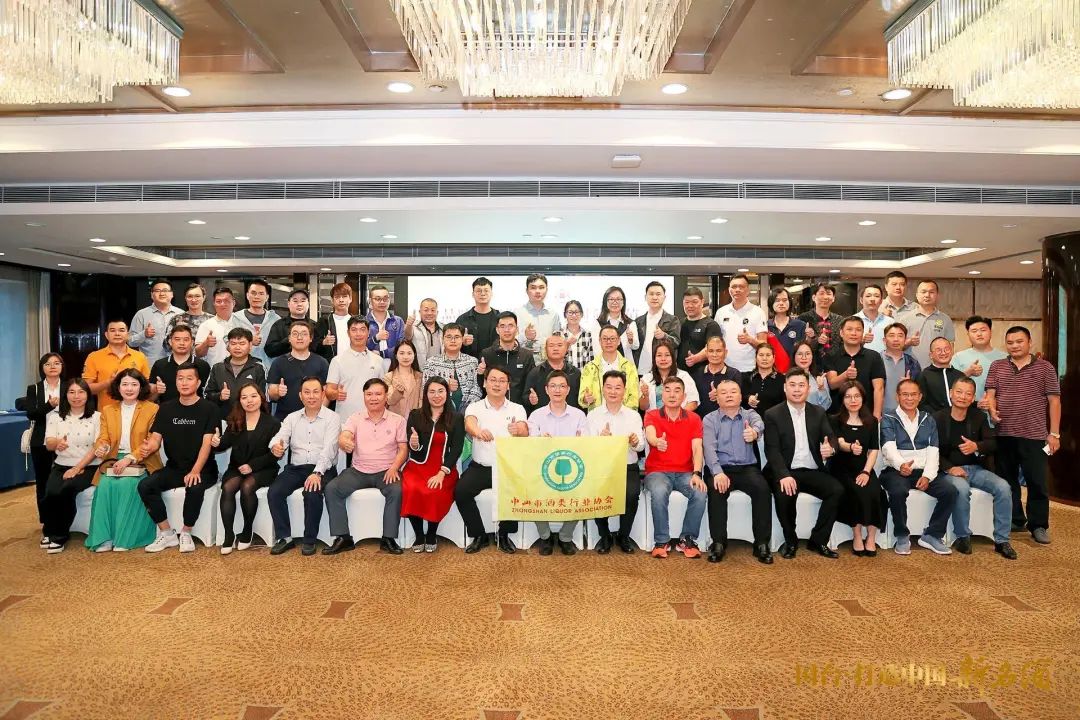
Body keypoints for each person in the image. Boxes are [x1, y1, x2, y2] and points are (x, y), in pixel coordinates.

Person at [985, 326, 1060, 544]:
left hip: (1034, 435)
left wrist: (1054, 434)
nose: (1014, 346)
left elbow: (1054, 401)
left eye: (1019, 342)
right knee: (1007, 482)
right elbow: (990, 395)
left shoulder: (1045, 368)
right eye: (1010, 342)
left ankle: (1038, 525)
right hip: (1003, 433)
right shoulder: (997, 366)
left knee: (1037, 482)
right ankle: (1015, 519)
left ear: (1029, 343)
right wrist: (992, 410)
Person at [138, 363, 220, 553]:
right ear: (175, 382)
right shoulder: (166, 408)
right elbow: (155, 439)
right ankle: (166, 533)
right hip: (174, 468)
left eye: (189, 379)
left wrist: (195, 470)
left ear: (198, 383)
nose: (184, 383)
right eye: (180, 378)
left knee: (194, 485)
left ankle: (186, 532)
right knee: (145, 486)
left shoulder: (210, 408)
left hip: (204, 468)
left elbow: (207, 443)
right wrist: (148, 447)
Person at [933, 377, 1018, 560]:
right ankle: (963, 536)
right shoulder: (938, 418)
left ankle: (1002, 540)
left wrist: (976, 446)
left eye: (968, 394)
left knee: (1003, 487)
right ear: (951, 393)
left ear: (973, 398)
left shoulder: (978, 417)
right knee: (961, 489)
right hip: (949, 471)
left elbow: (993, 443)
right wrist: (950, 468)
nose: (962, 397)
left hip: (976, 469)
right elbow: (931, 450)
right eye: (959, 392)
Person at [762, 368, 843, 559]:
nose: (797, 389)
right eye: (792, 385)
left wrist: (830, 449)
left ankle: (818, 540)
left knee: (837, 490)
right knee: (785, 492)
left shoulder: (818, 412)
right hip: (786, 469)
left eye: (801, 385)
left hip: (811, 470)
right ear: (785, 388)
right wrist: (783, 475)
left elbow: (831, 438)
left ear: (808, 388)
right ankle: (790, 541)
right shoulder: (773, 414)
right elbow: (772, 450)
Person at [323, 378, 408, 555]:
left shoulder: (398, 420)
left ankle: (388, 538)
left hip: (387, 471)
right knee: (332, 489)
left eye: (378, 394)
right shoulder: (355, 418)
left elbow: (403, 449)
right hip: (358, 471)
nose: (373, 398)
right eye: (369, 394)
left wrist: (394, 468)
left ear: (386, 396)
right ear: (364, 396)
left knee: (397, 490)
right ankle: (343, 537)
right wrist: (344, 441)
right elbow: (345, 435)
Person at [85, 370, 162, 552]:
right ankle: (104, 538)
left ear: (141, 387)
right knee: (105, 485)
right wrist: (102, 447)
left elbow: (151, 442)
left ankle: (125, 538)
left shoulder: (152, 409)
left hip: (142, 459)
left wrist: (129, 458)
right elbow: (103, 437)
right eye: (125, 384)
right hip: (113, 460)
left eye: (134, 384)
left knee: (128, 484)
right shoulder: (107, 410)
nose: (129, 388)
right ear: (118, 387)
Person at [879, 379, 957, 556]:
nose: (909, 398)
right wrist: (901, 465)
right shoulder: (889, 418)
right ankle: (901, 535)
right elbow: (888, 447)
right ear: (897, 397)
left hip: (922, 471)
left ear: (920, 397)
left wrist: (928, 476)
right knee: (898, 491)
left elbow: (934, 450)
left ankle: (932, 535)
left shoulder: (928, 419)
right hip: (895, 471)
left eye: (913, 394)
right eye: (905, 394)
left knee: (950, 491)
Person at [266, 377, 341, 556]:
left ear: (323, 394)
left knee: (312, 492)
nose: (311, 396)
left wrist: (317, 473)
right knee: (274, 492)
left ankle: (309, 540)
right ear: (300, 396)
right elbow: (279, 437)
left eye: (315, 392)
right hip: (296, 468)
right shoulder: (292, 418)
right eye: (307, 392)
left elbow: (329, 449)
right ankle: (285, 538)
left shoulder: (333, 418)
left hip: (323, 468)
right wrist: (275, 446)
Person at [456, 366, 528, 554]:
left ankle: (503, 535)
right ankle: (479, 535)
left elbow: (524, 429)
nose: (497, 384)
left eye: (502, 381)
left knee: (515, 490)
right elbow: (469, 423)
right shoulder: (475, 407)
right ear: (485, 383)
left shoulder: (517, 408)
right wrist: (478, 432)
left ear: (508, 385)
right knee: (461, 492)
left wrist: (519, 430)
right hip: (481, 467)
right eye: (493, 380)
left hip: (507, 468)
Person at [702, 379, 773, 564]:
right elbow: (709, 449)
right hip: (721, 468)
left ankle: (761, 543)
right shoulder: (709, 419)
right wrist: (717, 472)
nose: (729, 395)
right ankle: (718, 543)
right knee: (716, 490)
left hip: (747, 468)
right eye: (723, 392)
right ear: (717, 398)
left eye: (733, 392)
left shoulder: (750, 414)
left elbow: (760, 424)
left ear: (741, 396)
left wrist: (755, 433)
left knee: (762, 489)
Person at [211, 382, 281, 554]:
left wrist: (252, 466)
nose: (249, 401)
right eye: (244, 397)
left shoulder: (272, 423)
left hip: (263, 468)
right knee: (228, 487)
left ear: (261, 398)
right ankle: (229, 535)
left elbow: (274, 455)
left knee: (247, 486)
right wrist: (216, 442)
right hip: (237, 467)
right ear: (239, 401)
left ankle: (247, 530)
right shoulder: (235, 420)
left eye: (253, 396)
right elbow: (223, 444)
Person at [643, 376, 707, 559]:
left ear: (684, 396)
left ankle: (687, 539)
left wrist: (697, 473)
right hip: (657, 471)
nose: (672, 395)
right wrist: (657, 442)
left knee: (700, 492)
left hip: (685, 472)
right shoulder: (652, 415)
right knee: (659, 491)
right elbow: (650, 435)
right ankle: (661, 541)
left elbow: (697, 448)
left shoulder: (694, 418)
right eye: (667, 390)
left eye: (677, 390)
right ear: (662, 395)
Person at [526, 370, 588, 555]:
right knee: (532, 490)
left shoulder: (579, 415)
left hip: (573, 471)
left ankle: (565, 536)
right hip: (542, 471)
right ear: (546, 389)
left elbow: (586, 445)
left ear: (568, 389)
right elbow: (529, 445)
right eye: (553, 386)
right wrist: (539, 440)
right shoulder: (536, 416)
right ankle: (545, 536)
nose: (557, 390)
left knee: (583, 490)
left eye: (562, 386)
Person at [402, 377, 465, 553]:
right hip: (418, 466)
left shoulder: (456, 418)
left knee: (434, 491)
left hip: (443, 468)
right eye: (432, 392)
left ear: (447, 393)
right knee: (411, 489)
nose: (436, 396)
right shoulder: (415, 415)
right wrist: (414, 443)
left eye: (440, 391)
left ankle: (431, 533)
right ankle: (419, 535)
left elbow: (457, 448)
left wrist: (442, 473)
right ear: (426, 394)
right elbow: (412, 446)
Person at [586, 370, 645, 554]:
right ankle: (604, 535)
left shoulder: (633, 415)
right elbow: (586, 447)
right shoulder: (593, 415)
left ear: (624, 390)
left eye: (618, 387)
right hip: (601, 467)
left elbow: (641, 446)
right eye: (609, 387)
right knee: (597, 493)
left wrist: (634, 442)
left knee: (631, 494)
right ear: (602, 389)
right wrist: (600, 440)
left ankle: (623, 535)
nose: (613, 391)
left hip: (628, 466)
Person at [41, 379, 101, 553]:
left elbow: (97, 448)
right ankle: (49, 531)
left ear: (88, 395)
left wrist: (77, 468)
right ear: (65, 395)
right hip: (61, 465)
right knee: (50, 493)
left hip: (88, 466)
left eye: (81, 392)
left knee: (67, 489)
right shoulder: (56, 417)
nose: (76, 396)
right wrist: (57, 443)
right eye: (72, 392)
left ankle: (59, 536)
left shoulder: (97, 417)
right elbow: (49, 443)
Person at [829, 380, 885, 557]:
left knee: (875, 491)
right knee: (855, 490)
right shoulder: (835, 420)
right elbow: (839, 442)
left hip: (864, 467)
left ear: (863, 398)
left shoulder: (872, 421)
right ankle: (857, 535)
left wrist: (866, 471)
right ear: (842, 399)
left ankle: (871, 537)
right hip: (841, 468)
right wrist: (851, 447)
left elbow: (874, 449)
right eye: (848, 397)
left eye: (856, 396)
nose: (853, 400)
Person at [16, 352, 64, 546]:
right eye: (48, 364)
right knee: (43, 484)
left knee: (63, 482)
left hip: (65, 440)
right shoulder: (34, 388)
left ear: (62, 366)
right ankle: (48, 525)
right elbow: (32, 414)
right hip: (41, 441)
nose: (52, 366)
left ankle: (65, 522)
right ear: (42, 368)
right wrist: (49, 405)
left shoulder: (69, 386)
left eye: (57, 363)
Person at [326, 316, 384, 424]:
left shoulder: (378, 360)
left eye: (362, 330)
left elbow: (384, 391)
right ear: (348, 333)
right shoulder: (337, 361)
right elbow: (329, 391)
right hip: (346, 421)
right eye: (354, 330)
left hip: (374, 420)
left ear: (368, 333)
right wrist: (335, 393)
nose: (358, 334)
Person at [82, 319, 151, 411]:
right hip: (106, 413)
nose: (117, 334)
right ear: (106, 335)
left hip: (135, 413)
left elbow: (146, 387)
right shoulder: (94, 357)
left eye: (121, 330)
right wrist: (108, 382)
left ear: (128, 334)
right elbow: (85, 389)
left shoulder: (140, 356)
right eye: (113, 330)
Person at [823, 316, 885, 417]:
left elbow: (879, 388)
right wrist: (846, 375)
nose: (854, 333)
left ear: (863, 333)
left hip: (866, 415)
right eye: (849, 329)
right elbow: (832, 384)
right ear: (841, 333)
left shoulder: (874, 356)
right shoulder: (831, 355)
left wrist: (877, 415)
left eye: (858, 330)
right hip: (837, 416)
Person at [268, 319, 330, 420]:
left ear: (311, 338)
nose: (299, 338)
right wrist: (277, 391)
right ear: (289, 338)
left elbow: (326, 393)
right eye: (295, 334)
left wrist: (319, 415)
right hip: (285, 420)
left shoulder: (322, 362)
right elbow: (271, 393)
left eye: (304, 334)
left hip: (314, 419)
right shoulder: (278, 362)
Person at [950, 315, 1007, 413]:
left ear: (991, 332)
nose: (979, 334)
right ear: (968, 334)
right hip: (969, 412)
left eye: (983, 330)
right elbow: (950, 384)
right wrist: (968, 373)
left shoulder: (1005, 357)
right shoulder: (958, 357)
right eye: (974, 331)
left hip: (1001, 411)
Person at [203, 328, 267, 414]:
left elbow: (264, 397)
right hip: (222, 418)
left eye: (242, 343)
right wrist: (219, 396)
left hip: (249, 417)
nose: (237, 347)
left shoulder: (259, 368)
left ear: (250, 345)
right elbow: (206, 395)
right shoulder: (217, 367)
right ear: (228, 346)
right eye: (233, 343)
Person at [420, 323, 481, 411]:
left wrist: (467, 410)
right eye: (449, 337)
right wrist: (445, 387)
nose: (453, 340)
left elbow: (477, 388)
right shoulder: (431, 363)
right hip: (440, 412)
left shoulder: (472, 362)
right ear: (442, 339)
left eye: (457, 337)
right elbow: (426, 390)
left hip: (469, 412)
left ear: (462, 339)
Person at [478, 311, 536, 405]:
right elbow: (481, 385)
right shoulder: (487, 354)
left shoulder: (526, 355)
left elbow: (530, 385)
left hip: (519, 408)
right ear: (497, 330)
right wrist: (480, 373)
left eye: (510, 326)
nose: (507, 330)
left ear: (517, 329)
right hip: (493, 408)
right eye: (502, 326)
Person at [895, 280, 955, 369]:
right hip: (911, 368)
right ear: (917, 295)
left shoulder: (945, 319)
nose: (927, 295)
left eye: (931, 292)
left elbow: (950, 347)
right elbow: (896, 347)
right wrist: (909, 342)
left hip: (937, 369)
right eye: (923, 292)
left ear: (937, 295)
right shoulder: (905, 319)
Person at [578, 325, 639, 412]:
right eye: (605, 338)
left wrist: (623, 414)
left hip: (623, 415)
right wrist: (586, 398)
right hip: (597, 415)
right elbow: (582, 397)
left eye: (612, 338)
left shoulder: (629, 367)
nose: (608, 342)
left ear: (619, 341)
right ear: (600, 341)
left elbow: (634, 397)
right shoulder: (590, 367)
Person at [715, 274, 767, 373]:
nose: (737, 290)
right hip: (724, 368)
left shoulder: (758, 312)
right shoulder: (721, 312)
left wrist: (750, 340)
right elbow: (716, 341)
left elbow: (764, 345)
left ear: (748, 290)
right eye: (734, 287)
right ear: (729, 290)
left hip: (749, 368)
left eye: (741, 287)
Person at [149, 324, 210, 405]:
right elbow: (150, 398)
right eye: (177, 339)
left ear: (192, 342)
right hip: (166, 410)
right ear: (170, 342)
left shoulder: (202, 365)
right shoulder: (159, 365)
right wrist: (157, 391)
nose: (182, 343)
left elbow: (207, 395)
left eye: (186, 340)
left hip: (196, 410)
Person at [632, 281, 681, 377]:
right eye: (651, 294)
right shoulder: (638, 321)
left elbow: (676, 342)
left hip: (662, 371)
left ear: (664, 297)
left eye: (658, 294)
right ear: (645, 297)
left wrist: (664, 336)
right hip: (640, 370)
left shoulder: (672, 320)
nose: (654, 297)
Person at [128, 279, 182, 365]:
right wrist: (144, 334)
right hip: (150, 365)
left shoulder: (181, 314)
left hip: (176, 364)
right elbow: (130, 342)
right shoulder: (141, 314)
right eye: (157, 291)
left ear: (172, 294)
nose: (162, 293)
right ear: (152, 295)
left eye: (165, 290)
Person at [524, 335, 581, 413]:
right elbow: (525, 397)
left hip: (571, 418)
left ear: (566, 349)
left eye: (559, 345)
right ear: (545, 349)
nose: (555, 349)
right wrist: (530, 399)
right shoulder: (535, 373)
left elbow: (580, 401)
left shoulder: (575, 373)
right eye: (551, 346)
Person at [639, 339, 699, 413]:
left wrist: (677, 416)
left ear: (673, 358)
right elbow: (643, 407)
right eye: (659, 355)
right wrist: (646, 396)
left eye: (667, 355)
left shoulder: (684, 376)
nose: (663, 359)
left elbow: (693, 403)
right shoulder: (646, 378)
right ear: (654, 359)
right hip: (653, 419)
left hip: (679, 418)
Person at [692, 336, 743, 418]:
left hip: (727, 420)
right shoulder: (696, 373)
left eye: (718, 351)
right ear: (706, 353)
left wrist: (721, 396)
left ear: (725, 352)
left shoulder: (734, 374)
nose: (714, 355)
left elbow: (739, 401)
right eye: (711, 351)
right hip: (701, 421)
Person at [195, 287, 247, 366]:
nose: (222, 304)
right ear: (214, 304)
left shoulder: (243, 323)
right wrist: (206, 343)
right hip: (215, 370)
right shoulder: (206, 325)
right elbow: (198, 354)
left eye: (226, 301)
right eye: (219, 301)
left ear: (233, 303)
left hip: (241, 369)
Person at [516, 273, 562, 364]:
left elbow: (557, 340)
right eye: (533, 288)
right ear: (527, 290)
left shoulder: (553, 315)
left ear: (546, 290)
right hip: (524, 362)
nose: (537, 291)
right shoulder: (517, 313)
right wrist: (525, 336)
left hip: (547, 363)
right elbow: (510, 342)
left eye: (541, 287)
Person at [237, 279, 282, 370]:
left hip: (270, 369)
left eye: (261, 293)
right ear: (247, 295)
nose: (257, 297)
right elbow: (228, 343)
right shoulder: (236, 318)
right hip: (243, 370)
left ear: (267, 297)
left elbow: (281, 346)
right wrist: (248, 341)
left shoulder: (276, 319)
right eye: (253, 293)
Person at [880, 322, 922, 416]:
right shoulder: (876, 360)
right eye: (891, 335)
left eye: (900, 336)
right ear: (884, 340)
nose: (896, 339)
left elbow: (920, 391)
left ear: (905, 340)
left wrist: (910, 384)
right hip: (880, 414)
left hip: (906, 414)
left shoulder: (912, 363)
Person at [455, 277, 500, 360]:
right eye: (479, 291)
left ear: (491, 293)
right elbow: (452, 346)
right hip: (469, 365)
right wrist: (461, 342)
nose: (483, 294)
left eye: (486, 290)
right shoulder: (462, 319)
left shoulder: (500, 319)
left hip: (496, 364)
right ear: (473, 294)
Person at [798, 283, 844, 363]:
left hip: (835, 364)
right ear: (814, 297)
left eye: (828, 294)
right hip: (810, 363)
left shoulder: (840, 320)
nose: (825, 297)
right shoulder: (803, 318)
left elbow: (843, 343)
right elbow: (798, 344)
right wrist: (815, 339)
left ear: (833, 298)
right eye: (821, 293)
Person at [916, 337, 964, 413]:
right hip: (934, 418)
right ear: (931, 355)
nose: (943, 353)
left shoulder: (960, 375)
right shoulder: (923, 376)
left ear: (952, 351)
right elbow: (921, 403)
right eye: (938, 350)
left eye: (947, 349)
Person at [679, 287, 722, 371]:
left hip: (703, 372)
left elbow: (713, 347)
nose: (690, 306)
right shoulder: (679, 323)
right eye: (687, 302)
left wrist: (696, 358)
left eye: (694, 302)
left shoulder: (711, 325)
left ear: (702, 302)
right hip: (681, 373)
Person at [367, 284, 407, 371]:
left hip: (394, 365)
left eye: (385, 299)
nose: (382, 302)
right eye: (378, 299)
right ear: (370, 301)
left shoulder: (398, 321)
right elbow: (361, 346)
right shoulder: (365, 322)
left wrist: (382, 353)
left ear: (389, 300)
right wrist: (375, 338)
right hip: (370, 365)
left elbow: (401, 346)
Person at [267, 288, 314, 359]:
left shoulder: (314, 325)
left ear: (308, 304)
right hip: (285, 364)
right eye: (295, 301)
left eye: (303, 301)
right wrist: (288, 341)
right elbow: (269, 351)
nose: (299, 304)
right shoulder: (279, 324)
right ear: (288, 304)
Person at [591, 285, 636, 361]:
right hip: (604, 365)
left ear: (623, 302)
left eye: (618, 299)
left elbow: (635, 346)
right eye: (611, 299)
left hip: (626, 366)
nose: (615, 302)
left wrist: (631, 340)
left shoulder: (630, 323)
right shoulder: (598, 323)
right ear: (606, 302)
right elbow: (596, 350)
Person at [767, 286, 806, 369]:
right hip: (771, 370)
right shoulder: (765, 326)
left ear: (790, 302)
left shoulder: (800, 325)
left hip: (794, 371)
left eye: (784, 300)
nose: (781, 303)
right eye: (777, 300)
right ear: (771, 303)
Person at [163, 283, 211, 349]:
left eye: (197, 296)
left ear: (204, 297)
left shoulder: (211, 319)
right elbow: (166, 346)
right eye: (190, 296)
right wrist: (176, 330)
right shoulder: (177, 319)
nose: (193, 300)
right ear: (185, 298)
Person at [315, 282, 354, 362]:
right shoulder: (324, 321)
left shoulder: (355, 321)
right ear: (332, 300)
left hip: (353, 362)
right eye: (337, 297)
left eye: (344, 296)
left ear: (350, 299)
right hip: (331, 364)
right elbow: (313, 344)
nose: (341, 300)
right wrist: (323, 342)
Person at [742, 344, 785, 416]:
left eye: (768, 355)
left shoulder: (782, 379)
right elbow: (739, 397)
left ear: (774, 358)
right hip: (749, 420)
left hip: (774, 420)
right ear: (756, 358)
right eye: (761, 355)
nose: (764, 358)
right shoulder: (746, 377)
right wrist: (748, 398)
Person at [385, 340, 423, 416]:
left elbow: (421, 401)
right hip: (395, 419)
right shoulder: (388, 377)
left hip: (415, 419)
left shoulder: (420, 376)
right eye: (402, 353)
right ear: (396, 356)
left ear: (414, 355)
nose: (405, 357)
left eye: (409, 353)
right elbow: (389, 401)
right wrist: (398, 392)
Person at [791, 341, 831, 410]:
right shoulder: (787, 379)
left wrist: (821, 388)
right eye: (800, 354)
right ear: (794, 356)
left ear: (812, 356)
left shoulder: (820, 378)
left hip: (814, 416)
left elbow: (825, 407)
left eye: (807, 354)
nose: (804, 357)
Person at [405, 297, 443, 370]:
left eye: (433, 310)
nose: (429, 313)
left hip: (440, 371)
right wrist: (408, 325)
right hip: (419, 371)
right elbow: (407, 336)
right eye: (426, 310)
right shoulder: (414, 327)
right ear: (420, 312)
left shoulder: (443, 329)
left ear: (437, 312)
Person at [556, 300, 593, 369]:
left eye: (577, 312)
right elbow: (554, 359)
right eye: (570, 312)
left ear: (581, 314)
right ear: (565, 315)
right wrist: (566, 344)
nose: (574, 315)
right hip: (563, 374)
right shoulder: (558, 335)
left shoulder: (588, 335)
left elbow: (591, 360)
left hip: (583, 374)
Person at [854, 284, 889, 353]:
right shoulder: (852, 321)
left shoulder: (890, 322)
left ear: (881, 301)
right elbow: (845, 346)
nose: (872, 299)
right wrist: (862, 341)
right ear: (861, 300)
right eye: (868, 296)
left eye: (876, 296)